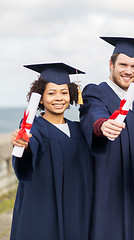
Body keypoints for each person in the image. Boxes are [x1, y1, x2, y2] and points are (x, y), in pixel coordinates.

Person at [79, 37, 134, 240]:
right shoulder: (96, 91)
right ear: (111, 64)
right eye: (123, 64)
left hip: (133, 185)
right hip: (108, 184)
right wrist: (102, 125)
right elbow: (93, 114)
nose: (128, 71)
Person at [10, 63, 93, 240]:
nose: (58, 98)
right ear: (40, 98)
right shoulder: (35, 127)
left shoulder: (78, 130)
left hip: (74, 208)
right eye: (51, 93)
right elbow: (29, 147)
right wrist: (24, 146)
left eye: (64, 92)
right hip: (43, 206)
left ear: (70, 95)